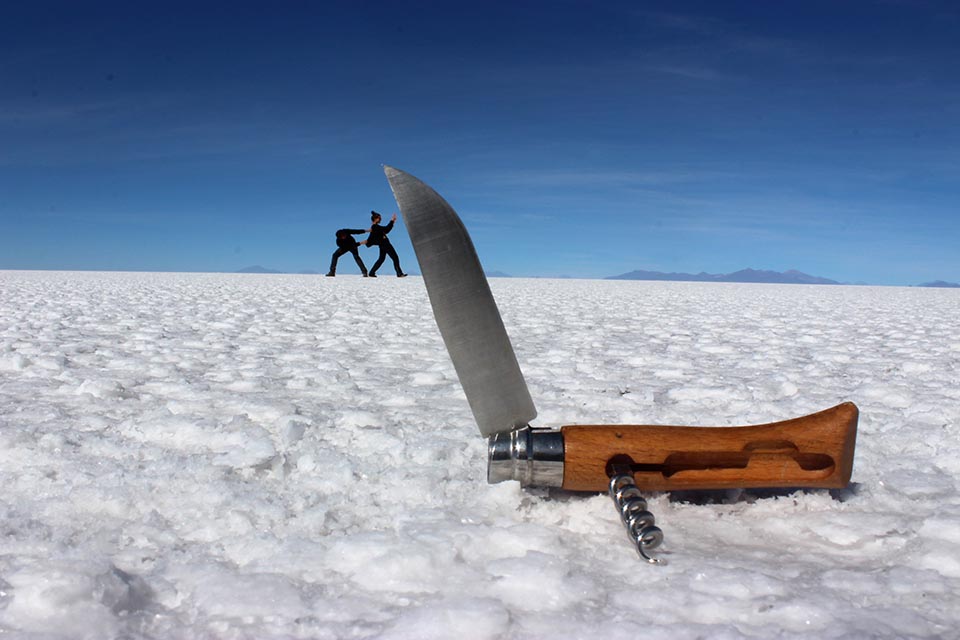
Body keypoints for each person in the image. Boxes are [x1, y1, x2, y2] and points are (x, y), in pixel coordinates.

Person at [366, 211, 407, 278]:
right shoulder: (375, 227)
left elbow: (384, 231)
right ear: (376, 219)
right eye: (379, 218)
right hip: (385, 244)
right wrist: (392, 221)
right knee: (395, 257)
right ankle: (399, 273)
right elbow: (386, 229)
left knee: (381, 259)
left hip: (382, 245)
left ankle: (371, 272)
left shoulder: (374, 227)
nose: (380, 219)